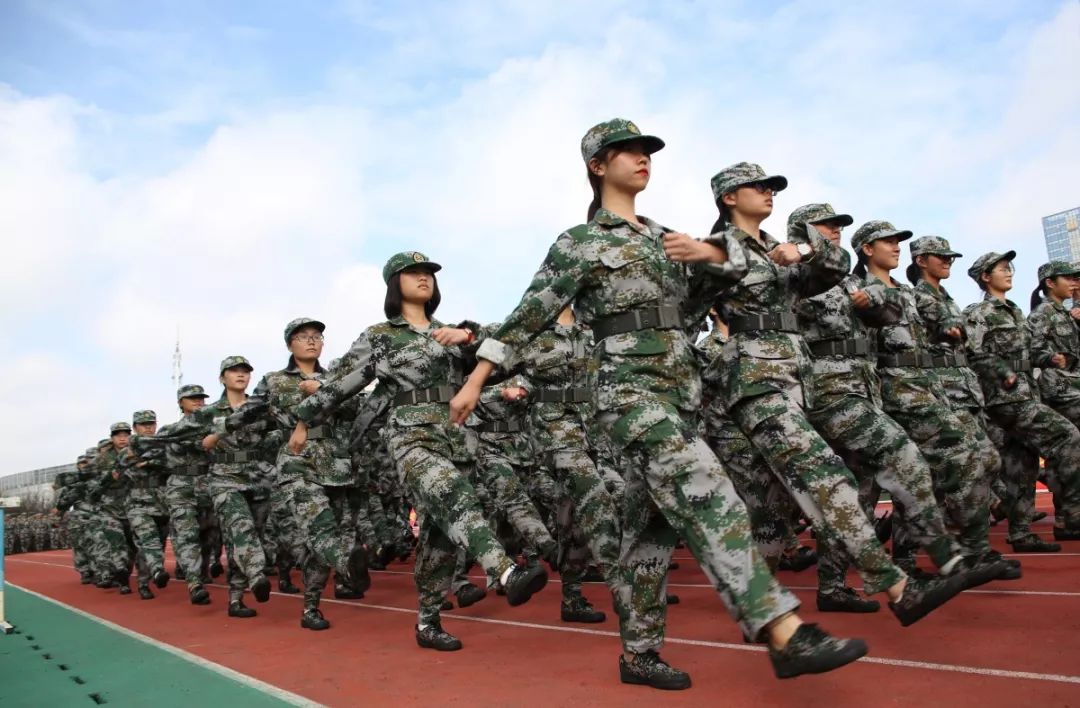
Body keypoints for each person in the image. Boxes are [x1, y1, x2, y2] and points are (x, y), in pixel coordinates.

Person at [449, 119, 868, 687]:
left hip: (680, 395)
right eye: (627, 152)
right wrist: (477, 378)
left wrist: (718, 256)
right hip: (627, 395)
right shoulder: (580, 242)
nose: (643, 158)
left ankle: (639, 654)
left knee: (649, 535)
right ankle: (782, 631)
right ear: (598, 166)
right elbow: (530, 313)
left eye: (647, 151)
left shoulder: (667, 238)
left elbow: (719, 283)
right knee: (707, 489)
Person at [289, 252, 548, 652]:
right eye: (413, 273)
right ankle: (504, 571)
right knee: (454, 493)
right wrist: (304, 420)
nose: (424, 278)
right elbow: (340, 383)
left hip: (456, 438)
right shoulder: (380, 336)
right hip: (410, 437)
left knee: (440, 538)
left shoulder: (453, 332)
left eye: (428, 273)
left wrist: (469, 339)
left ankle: (428, 622)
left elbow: (510, 357)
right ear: (395, 284)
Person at [964, 252, 1080, 543]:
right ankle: (1073, 512)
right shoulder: (978, 313)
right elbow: (972, 353)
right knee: (1067, 436)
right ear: (986, 277)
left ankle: (1021, 533)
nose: (1009, 272)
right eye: (1002, 268)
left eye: (1010, 268)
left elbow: (1031, 353)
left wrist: (1050, 358)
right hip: (1004, 399)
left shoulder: (1015, 312)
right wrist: (1002, 371)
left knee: (1022, 464)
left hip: (1027, 393)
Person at [120, 410, 172, 599]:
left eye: (151, 423)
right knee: (149, 539)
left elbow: (173, 463)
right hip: (138, 505)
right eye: (144, 425)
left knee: (154, 545)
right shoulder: (127, 450)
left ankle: (144, 580)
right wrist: (155, 461)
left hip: (162, 505)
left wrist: (155, 461)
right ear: (135, 428)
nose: (149, 427)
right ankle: (156, 571)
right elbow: (130, 462)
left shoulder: (164, 446)